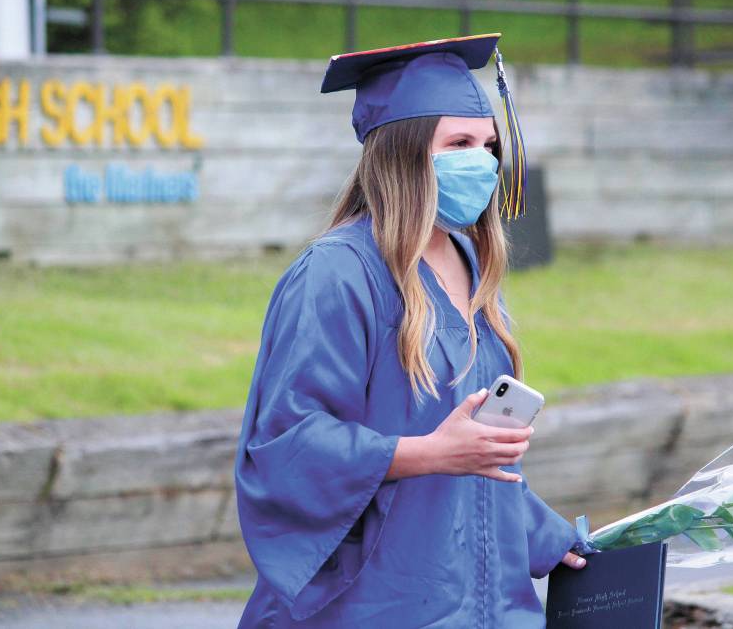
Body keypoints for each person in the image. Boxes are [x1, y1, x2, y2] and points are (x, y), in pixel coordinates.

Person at [233, 33, 585, 628]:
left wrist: (556, 540)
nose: (482, 161)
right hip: (376, 604)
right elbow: (287, 444)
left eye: (487, 145)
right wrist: (426, 453)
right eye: (459, 143)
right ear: (404, 152)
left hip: (474, 604)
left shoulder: (470, 264)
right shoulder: (339, 275)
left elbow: (475, 472)